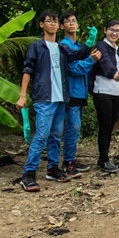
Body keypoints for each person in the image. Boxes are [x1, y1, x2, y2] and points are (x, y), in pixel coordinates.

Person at [16, 9, 96, 192]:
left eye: (54, 21)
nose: (52, 24)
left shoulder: (61, 48)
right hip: (45, 98)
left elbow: (78, 55)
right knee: (41, 136)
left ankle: (53, 169)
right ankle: (28, 174)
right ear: (42, 24)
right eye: (48, 21)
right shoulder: (37, 46)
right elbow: (27, 70)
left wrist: (90, 42)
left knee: (55, 135)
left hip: (61, 99)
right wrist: (22, 95)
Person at [47, 9, 101, 177]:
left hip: (81, 92)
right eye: (68, 21)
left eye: (74, 20)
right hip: (70, 93)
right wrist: (91, 60)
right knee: (72, 128)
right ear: (62, 26)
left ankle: (70, 159)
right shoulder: (64, 45)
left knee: (74, 129)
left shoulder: (78, 46)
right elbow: (72, 69)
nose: (72, 23)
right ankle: (67, 163)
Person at [91, 19, 119, 173]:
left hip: (115, 92)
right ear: (105, 30)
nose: (114, 33)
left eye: (117, 30)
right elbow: (105, 63)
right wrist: (113, 74)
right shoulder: (101, 45)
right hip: (102, 90)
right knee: (105, 126)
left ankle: (103, 157)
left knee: (110, 124)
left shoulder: (118, 49)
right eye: (111, 30)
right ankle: (104, 160)